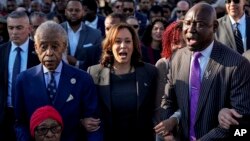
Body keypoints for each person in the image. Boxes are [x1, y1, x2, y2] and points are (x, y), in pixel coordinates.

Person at [161, 3, 250, 140]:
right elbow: (168, 100)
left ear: (214, 27)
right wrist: (168, 133)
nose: (190, 30)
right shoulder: (177, 57)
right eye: (187, 23)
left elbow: (239, 122)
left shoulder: (237, 64)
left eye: (200, 24)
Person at [14, 21, 102, 141]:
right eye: (44, 47)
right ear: (36, 48)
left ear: (64, 47)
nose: (49, 53)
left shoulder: (83, 79)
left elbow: (93, 125)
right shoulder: (23, 80)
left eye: (55, 46)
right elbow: (20, 123)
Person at [87, 23, 158, 141]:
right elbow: (84, 108)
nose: (123, 45)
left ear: (134, 45)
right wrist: (83, 120)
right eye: (117, 41)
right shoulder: (93, 73)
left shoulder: (150, 72)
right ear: (109, 45)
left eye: (128, 41)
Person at [0, 11, 40, 141]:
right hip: (5, 115)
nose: (14, 32)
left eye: (19, 27)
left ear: (29, 29)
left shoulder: (39, 52)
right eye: (11, 28)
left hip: (31, 114)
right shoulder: (1, 51)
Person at [153, 21, 185, 141]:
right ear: (168, 44)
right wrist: (166, 134)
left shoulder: (197, 66)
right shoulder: (163, 65)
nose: (181, 46)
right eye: (176, 42)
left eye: (184, 42)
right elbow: (159, 106)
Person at [61, 0, 102, 71]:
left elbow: (98, 61)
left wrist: (76, 63)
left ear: (83, 12)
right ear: (65, 12)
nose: (73, 13)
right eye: (70, 10)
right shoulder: (56, 31)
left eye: (77, 10)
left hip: (85, 77)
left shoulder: (95, 34)